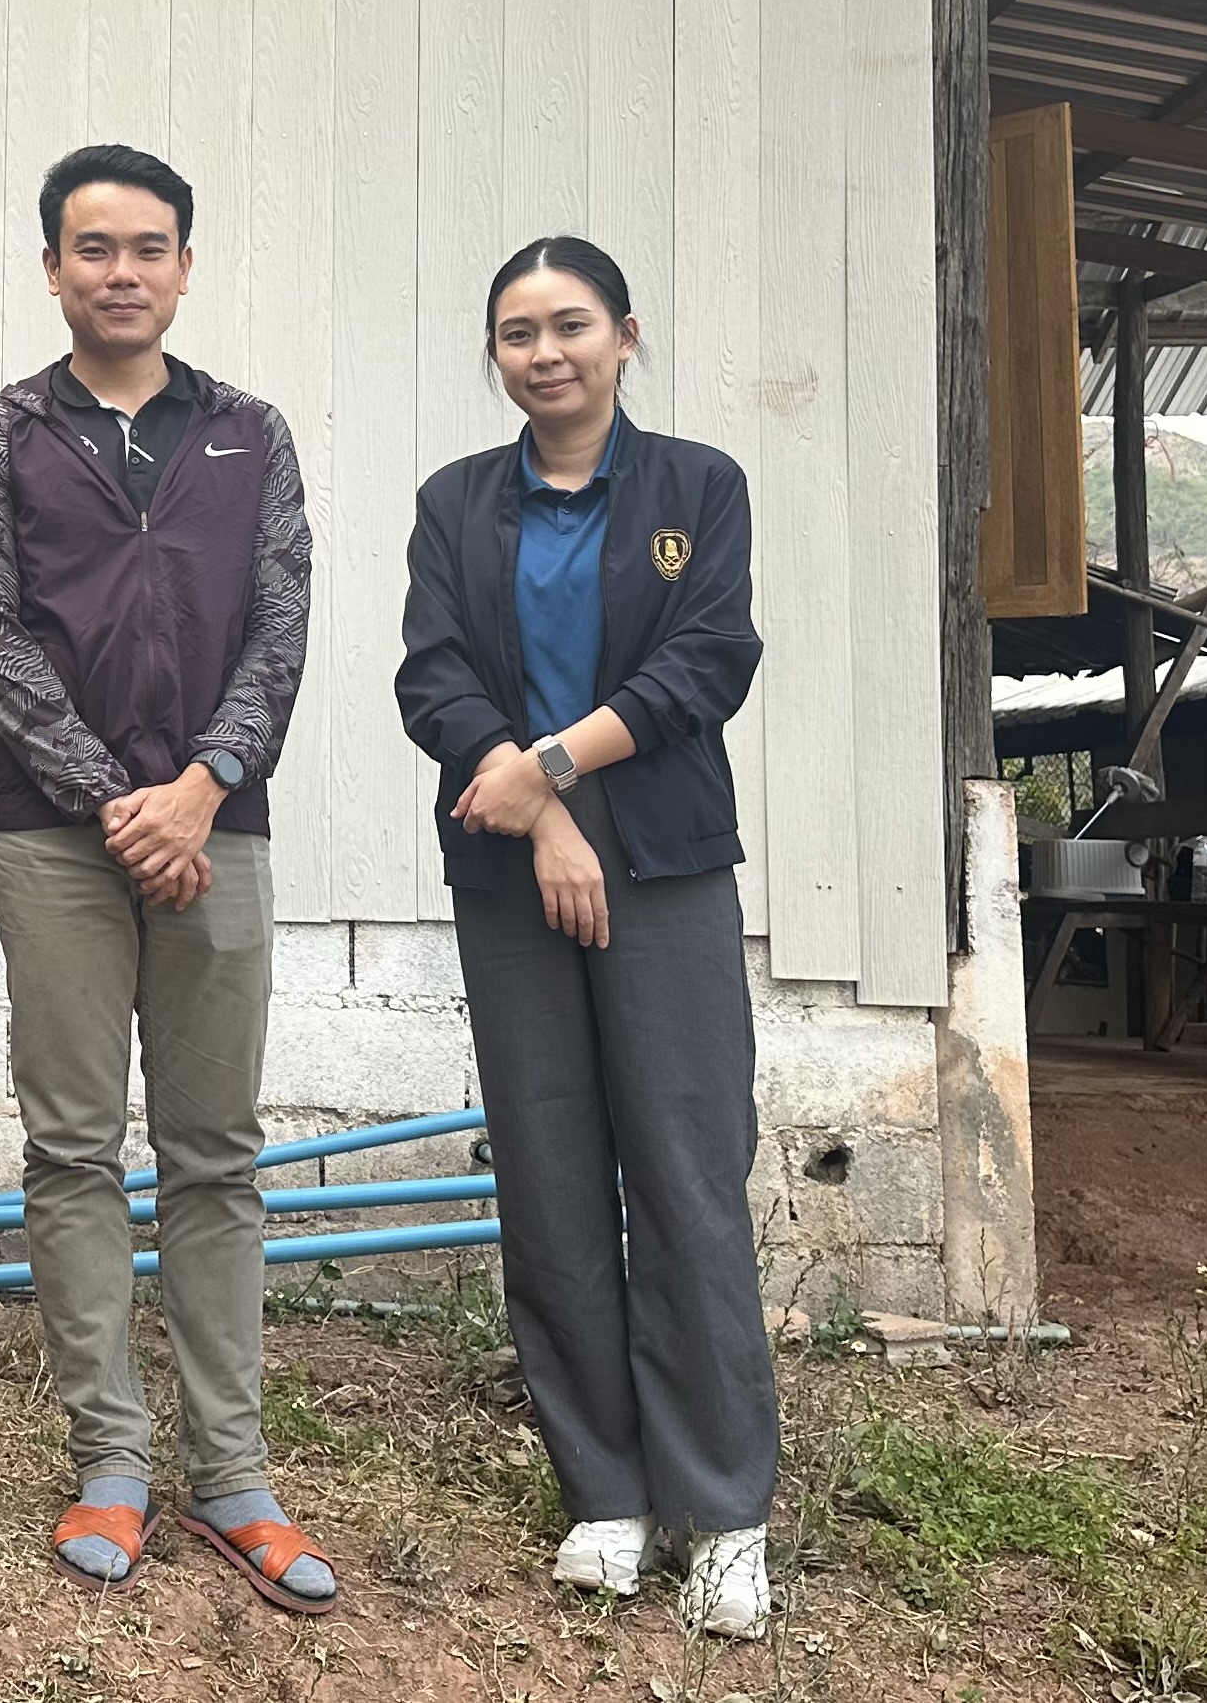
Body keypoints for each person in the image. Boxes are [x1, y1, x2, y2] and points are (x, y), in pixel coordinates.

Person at [0, 143, 334, 1613]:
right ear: (52, 268)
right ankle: (109, 1457)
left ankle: (232, 1472)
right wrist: (118, 800)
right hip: (60, 838)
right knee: (74, 1148)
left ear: (185, 266)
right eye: (92, 248)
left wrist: (204, 784)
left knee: (216, 1153)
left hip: (221, 826)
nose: (121, 272)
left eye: (147, 247)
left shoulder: (248, 433)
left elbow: (280, 622)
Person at [391, 236, 778, 1639]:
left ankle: (722, 1511)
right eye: (517, 332)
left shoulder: (696, 487)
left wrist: (554, 767)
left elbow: (707, 663)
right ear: (495, 354)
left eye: (570, 325)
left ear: (626, 335)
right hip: (512, 866)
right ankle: (605, 1493)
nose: (544, 353)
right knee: (549, 1173)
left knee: (685, 1171)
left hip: (661, 861)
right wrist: (542, 814)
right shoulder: (456, 504)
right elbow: (434, 678)